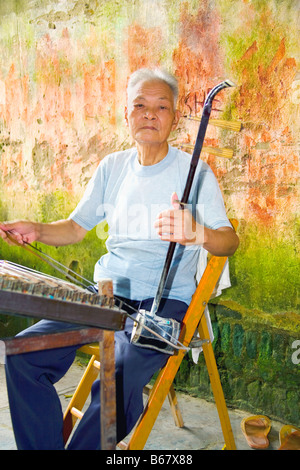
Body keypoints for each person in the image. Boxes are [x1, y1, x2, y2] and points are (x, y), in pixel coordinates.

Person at [0, 68, 239, 450]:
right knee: (23, 355)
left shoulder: (194, 173)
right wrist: (38, 229)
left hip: (162, 305)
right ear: (126, 113)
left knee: (118, 379)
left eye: (161, 107)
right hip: (104, 297)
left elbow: (229, 241)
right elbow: (76, 228)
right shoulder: (113, 167)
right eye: (140, 106)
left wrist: (200, 234)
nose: (149, 114)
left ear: (174, 117)